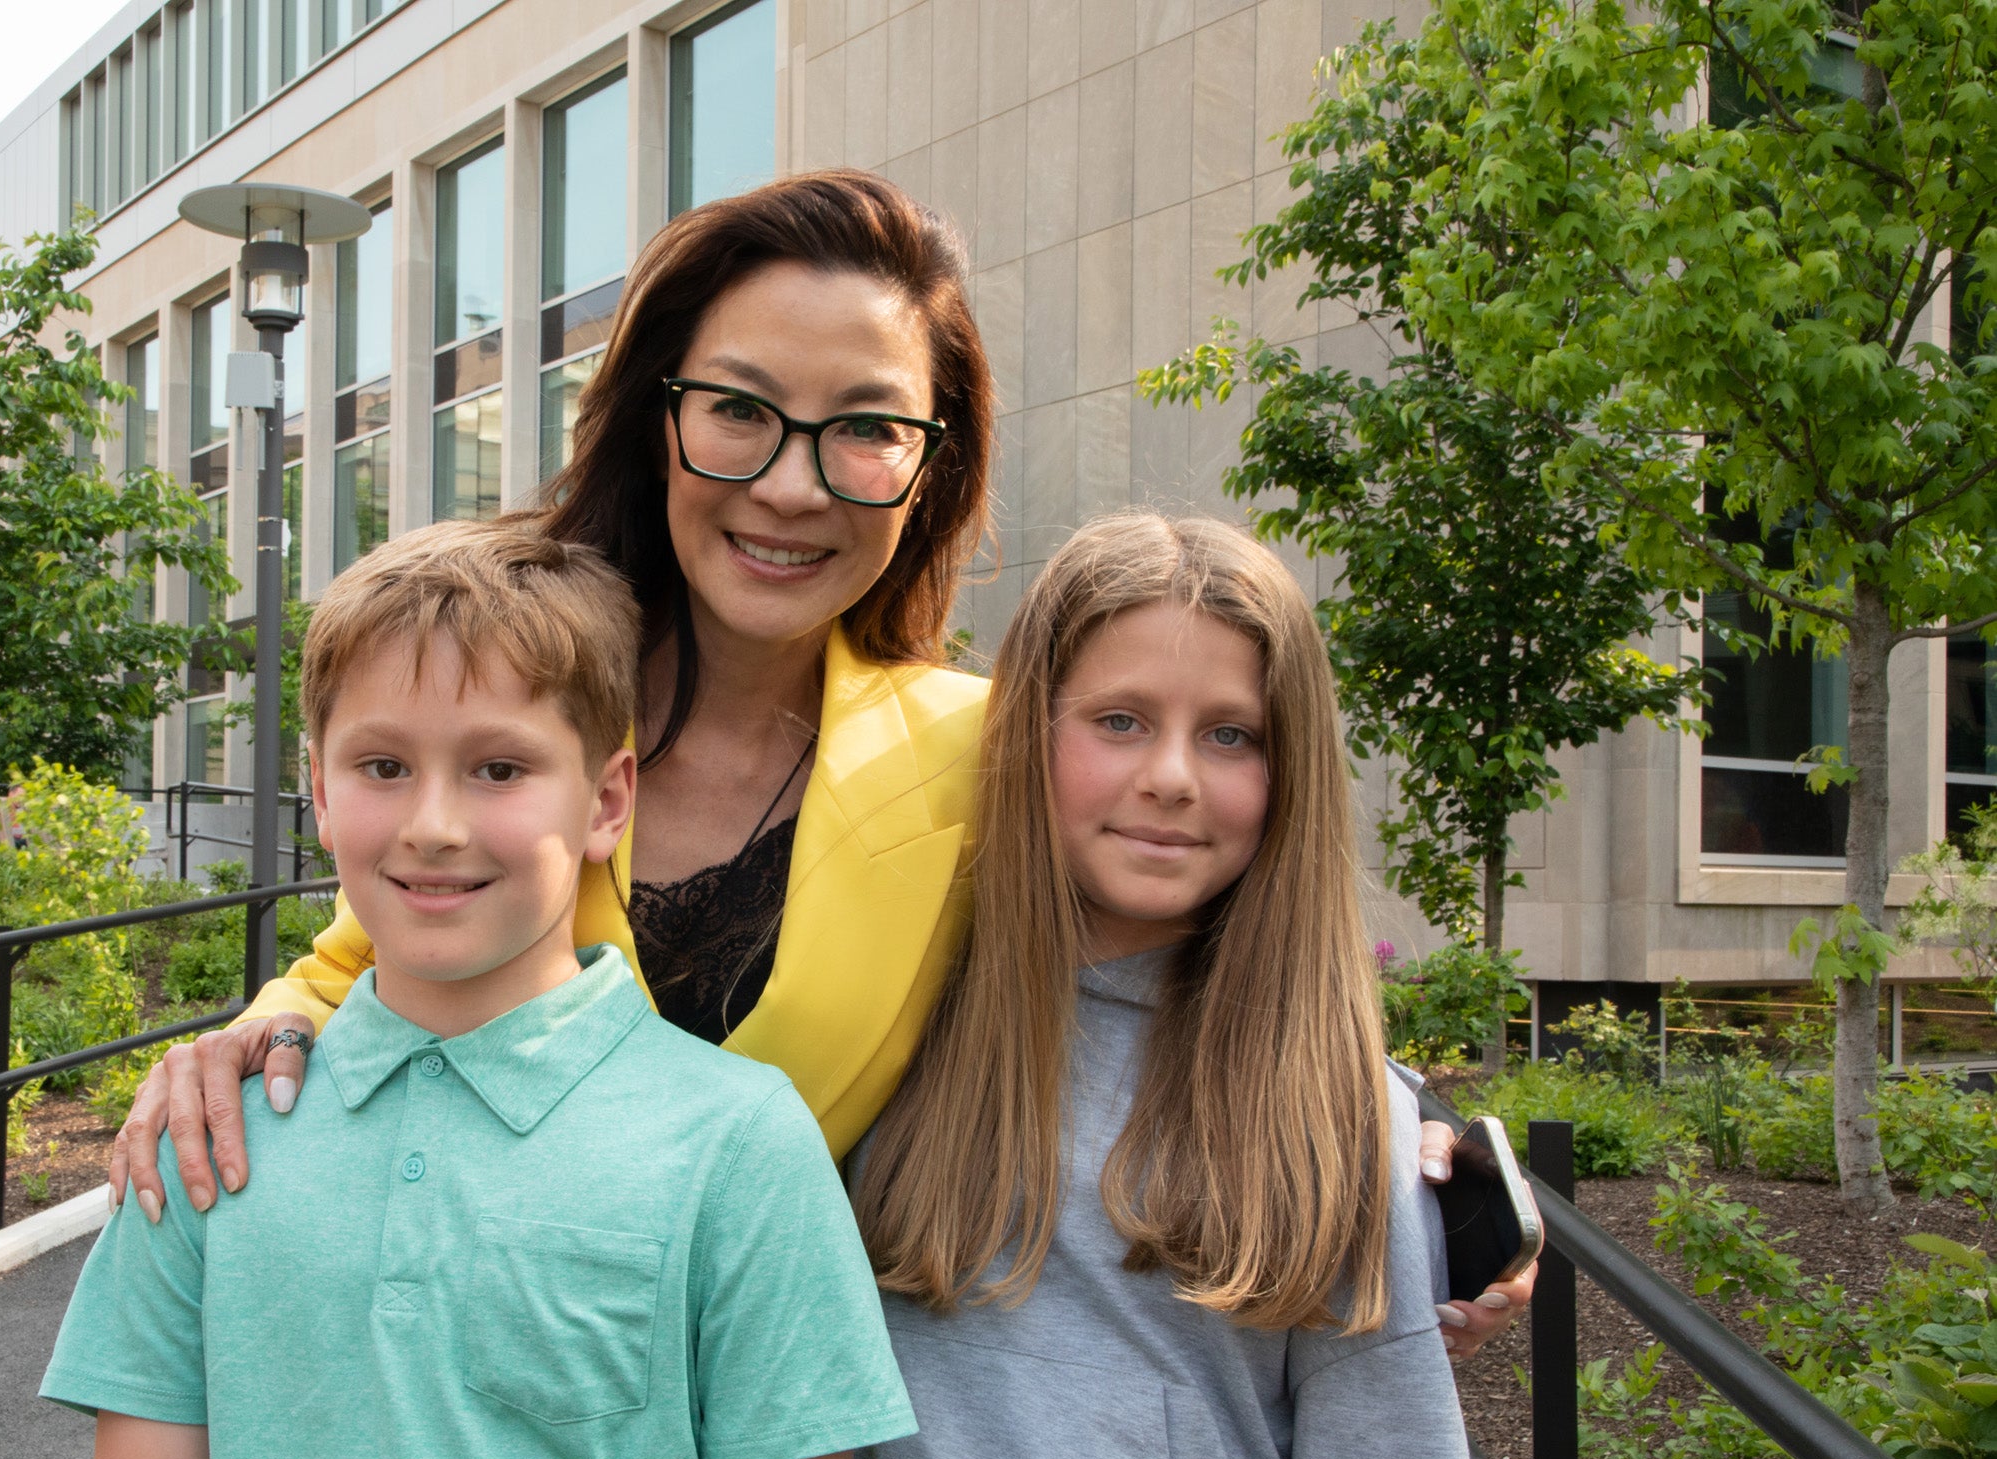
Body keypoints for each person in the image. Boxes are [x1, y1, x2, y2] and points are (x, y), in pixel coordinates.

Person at [105, 169, 1532, 1366]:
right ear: (657, 414)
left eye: (864, 429)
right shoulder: (524, 736)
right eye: (738, 410)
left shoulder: (978, 754)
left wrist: (1403, 1140)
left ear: (927, 467)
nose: (792, 485)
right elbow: (366, 946)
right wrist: (243, 1038)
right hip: (467, 1394)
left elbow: (1193, 944)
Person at [40, 524, 917, 1459]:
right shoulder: (210, 1139)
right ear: (317, 788)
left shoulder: (739, 1142)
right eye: (383, 766)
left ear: (607, 799)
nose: (434, 824)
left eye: (499, 769)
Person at [839, 512, 1493, 1459]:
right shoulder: (881, 1012)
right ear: (1027, 730)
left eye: (1232, 734)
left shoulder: (1326, 1113)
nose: (1173, 776)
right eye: (1120, 719)